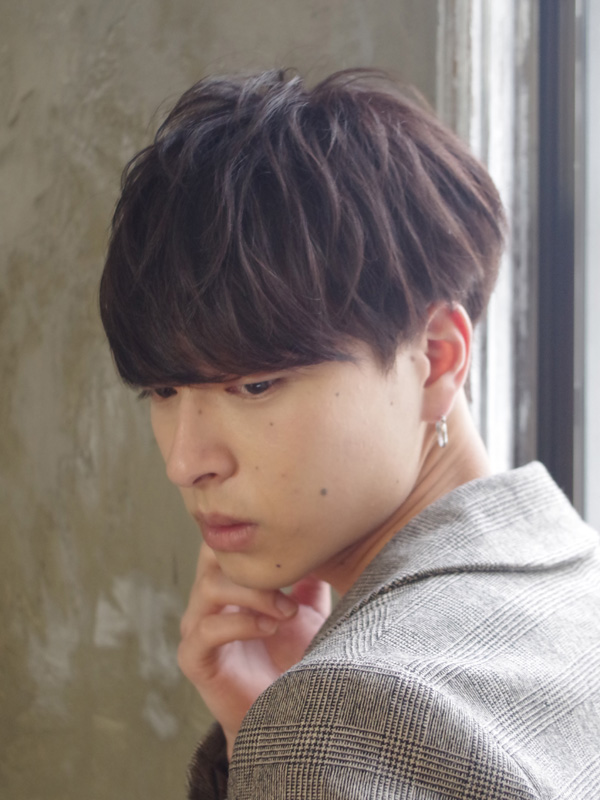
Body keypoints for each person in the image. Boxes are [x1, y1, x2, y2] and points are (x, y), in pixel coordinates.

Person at [99, 70, 600, 799]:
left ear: (437, 357)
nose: (186, 462)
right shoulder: (577, 584)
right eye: (164, 390)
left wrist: (300, 738)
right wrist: (257, 734)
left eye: (255, 386)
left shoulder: (349, 717)